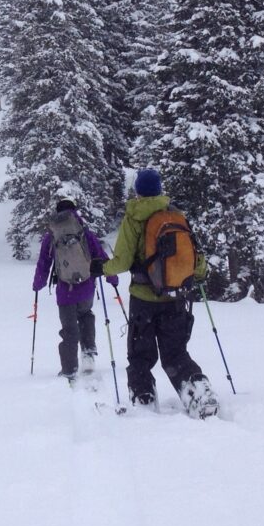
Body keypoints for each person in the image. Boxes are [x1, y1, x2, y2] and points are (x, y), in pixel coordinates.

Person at [103, 167, 217, 416]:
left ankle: (144, 401)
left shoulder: (134, 217)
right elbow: (193, 254)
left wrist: (103, 268)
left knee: (140, 356)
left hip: (143, 299)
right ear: (159, 189)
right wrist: (198, 275)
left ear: (138, 191)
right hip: (175, 297)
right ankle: (200, 391)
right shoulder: (175, 214)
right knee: (176, 353)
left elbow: (121, 261)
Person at [31, 186, 116, 383]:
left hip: (65, 291)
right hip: (86, 287)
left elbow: (44, 263)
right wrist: (112, 278)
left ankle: (69, 369)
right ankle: (88, 355)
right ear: (75, 212)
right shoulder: (85, 232)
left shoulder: (52, 236)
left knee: (69, 329)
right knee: (86, 316)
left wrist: (38, 284)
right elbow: (100, 257)